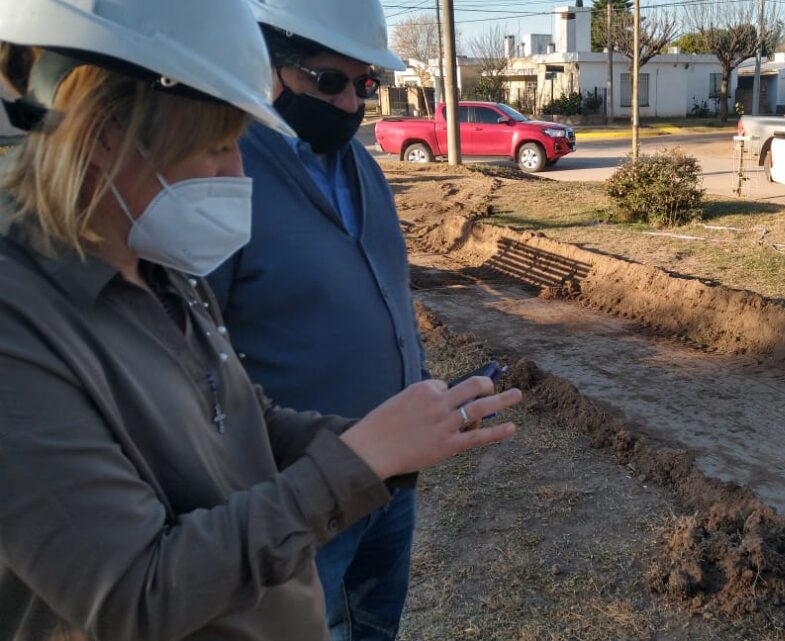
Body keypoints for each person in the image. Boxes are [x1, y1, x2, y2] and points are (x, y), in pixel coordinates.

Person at [0, 1, 520, 640]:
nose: (239, 174)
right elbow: (136, 595)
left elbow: (243, 416)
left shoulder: (155, 265)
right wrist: (358, 459)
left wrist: (387, 439)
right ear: (106, 135)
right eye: (218, 145)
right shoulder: (20, 329)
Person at [205, 2, 424, 638]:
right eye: (330, 81)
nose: (351, 103)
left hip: (392, 483)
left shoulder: (362, 167)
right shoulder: (224, 170)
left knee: (375, 626)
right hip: (304, 489)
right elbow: (196, 350)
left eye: (365, 84)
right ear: (268, 65)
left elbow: (386, 291)